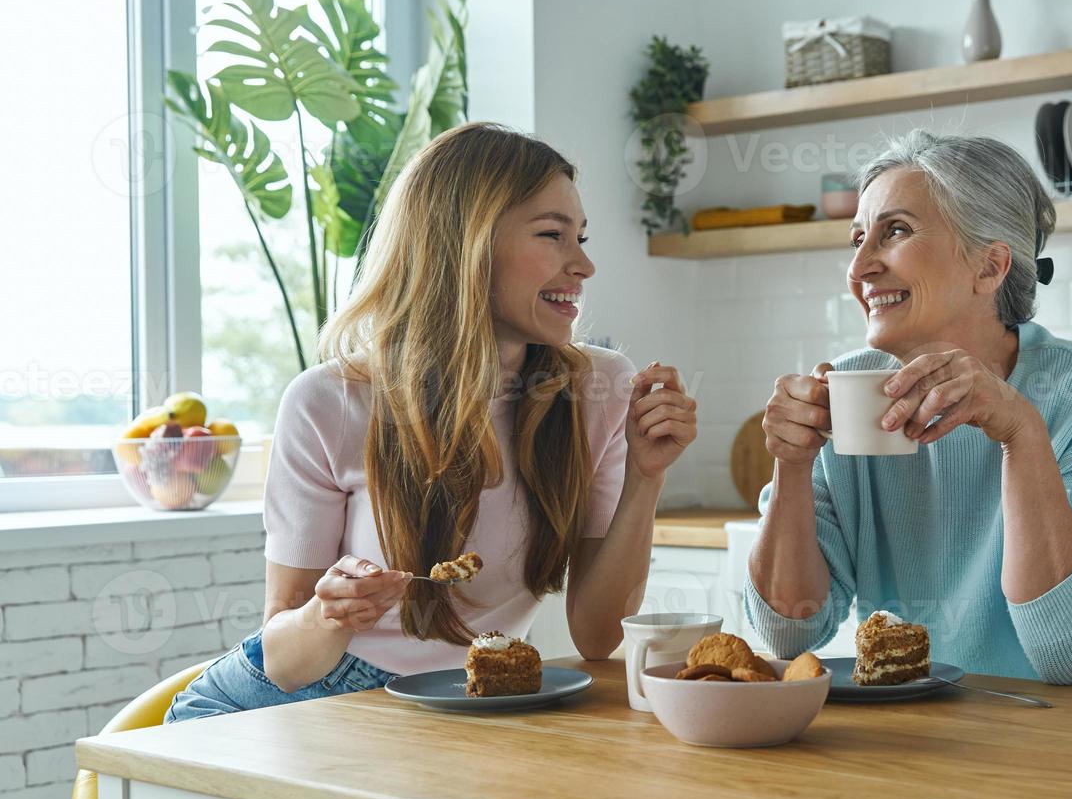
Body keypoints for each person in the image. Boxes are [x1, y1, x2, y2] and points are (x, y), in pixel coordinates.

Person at [168, 123, 697, 720]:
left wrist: (646, 478)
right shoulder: (329, 402)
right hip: (292, 705)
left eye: (580, 237)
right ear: (463, 245)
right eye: (553, 235)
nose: (584, 265)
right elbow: (285, 662)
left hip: (463, 698)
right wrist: (329, 612)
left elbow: (598, 637)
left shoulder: (597, 392)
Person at [748, 129, 1072, 696]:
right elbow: (788, 631)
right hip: (963, 721)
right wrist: (791, 465)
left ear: (990, 267)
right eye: (857, 239)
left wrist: (1020, 432)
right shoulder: (850, 390)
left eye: (894, 231)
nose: (861, 267)